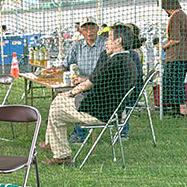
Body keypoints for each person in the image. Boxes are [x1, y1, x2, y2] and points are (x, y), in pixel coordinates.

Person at [41, 24, 138, 165]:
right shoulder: (129, 61)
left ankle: (62, 155)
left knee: (57, 105)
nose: (106, 41)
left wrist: (70, 93)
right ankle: (55, 146)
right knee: (58, 107)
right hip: (113, 112)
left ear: (118, 41)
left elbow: (89, 83)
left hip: (98, 113)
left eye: (110, 38)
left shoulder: (114, 62)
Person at [62, 21, 106, 143]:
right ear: (81, 31)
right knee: (66, 97)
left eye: (92, 28)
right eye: (85, 29)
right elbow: (66, 64)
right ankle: (79, 131)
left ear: (97, 29)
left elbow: (108, 70)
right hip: (81, 83)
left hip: (101, 84)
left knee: (76, 97)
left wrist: (87, 79)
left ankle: (80, 134)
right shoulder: (77, 45)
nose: (89, 31)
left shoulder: (105, 44)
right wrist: (54, 70)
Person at [161, 0, 187, 116]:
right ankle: (178, 107)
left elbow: (175, 39)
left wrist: (164, 46)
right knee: (176, 82)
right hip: (185, 55)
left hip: (177, 56)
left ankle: (181, 108)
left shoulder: (175, 17)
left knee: (173, 82)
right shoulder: (182, 15)